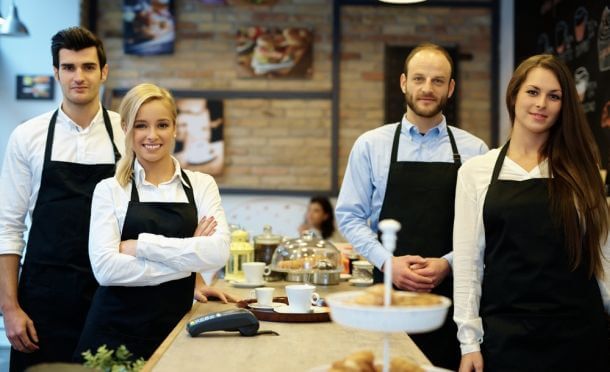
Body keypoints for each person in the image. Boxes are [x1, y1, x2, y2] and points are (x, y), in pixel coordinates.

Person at [335, 43, 488, 369]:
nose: (427, 89)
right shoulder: (370, 145)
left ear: (451, 88)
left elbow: (483, 228)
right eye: (419, 79)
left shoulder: (475, 150)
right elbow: (349, 216)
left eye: (437, 81)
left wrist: (448, 263)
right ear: (404, 83)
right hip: (385, 301)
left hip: (451, 304)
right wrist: (387, 262)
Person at [453, 54, 610, 372]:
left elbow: (603, 256)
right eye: (533, 92)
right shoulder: (476, 172)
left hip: (578, 338)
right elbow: (469, 265)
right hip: (505, 338)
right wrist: (468, 342)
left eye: (554, 96)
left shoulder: (582, 172)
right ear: (514, 95)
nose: (542, 104)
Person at [73, 83, 231, 361]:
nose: (152, 135)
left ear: (175, 128)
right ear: (126, 129)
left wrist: (141, 246)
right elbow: (107, 270)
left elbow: (217, 253)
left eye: (162, 124)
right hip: (112, 334)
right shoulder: (109, 190)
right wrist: (189, 257)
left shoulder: (202, 184)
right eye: (141, 125)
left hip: (176, 331)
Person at [0, 27, 124, 371]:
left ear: (104, 71)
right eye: (69, 67)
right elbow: (7, 228)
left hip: (110, 296)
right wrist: (10, 308)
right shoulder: (28, 136)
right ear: (56, 72)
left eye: (87, 67)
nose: (78, 76)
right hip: (43, 301)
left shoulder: (128, 134)